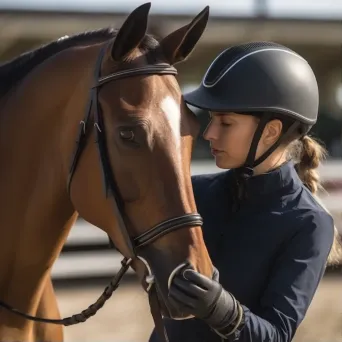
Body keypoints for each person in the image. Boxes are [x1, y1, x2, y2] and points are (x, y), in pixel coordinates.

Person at [149, 42, 342, 342]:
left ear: (271, 131)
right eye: (212, 119)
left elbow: (276, 335)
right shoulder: (194, 192)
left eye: (226, 122)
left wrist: (220, 309)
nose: (209, 132)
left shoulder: (310, 224)